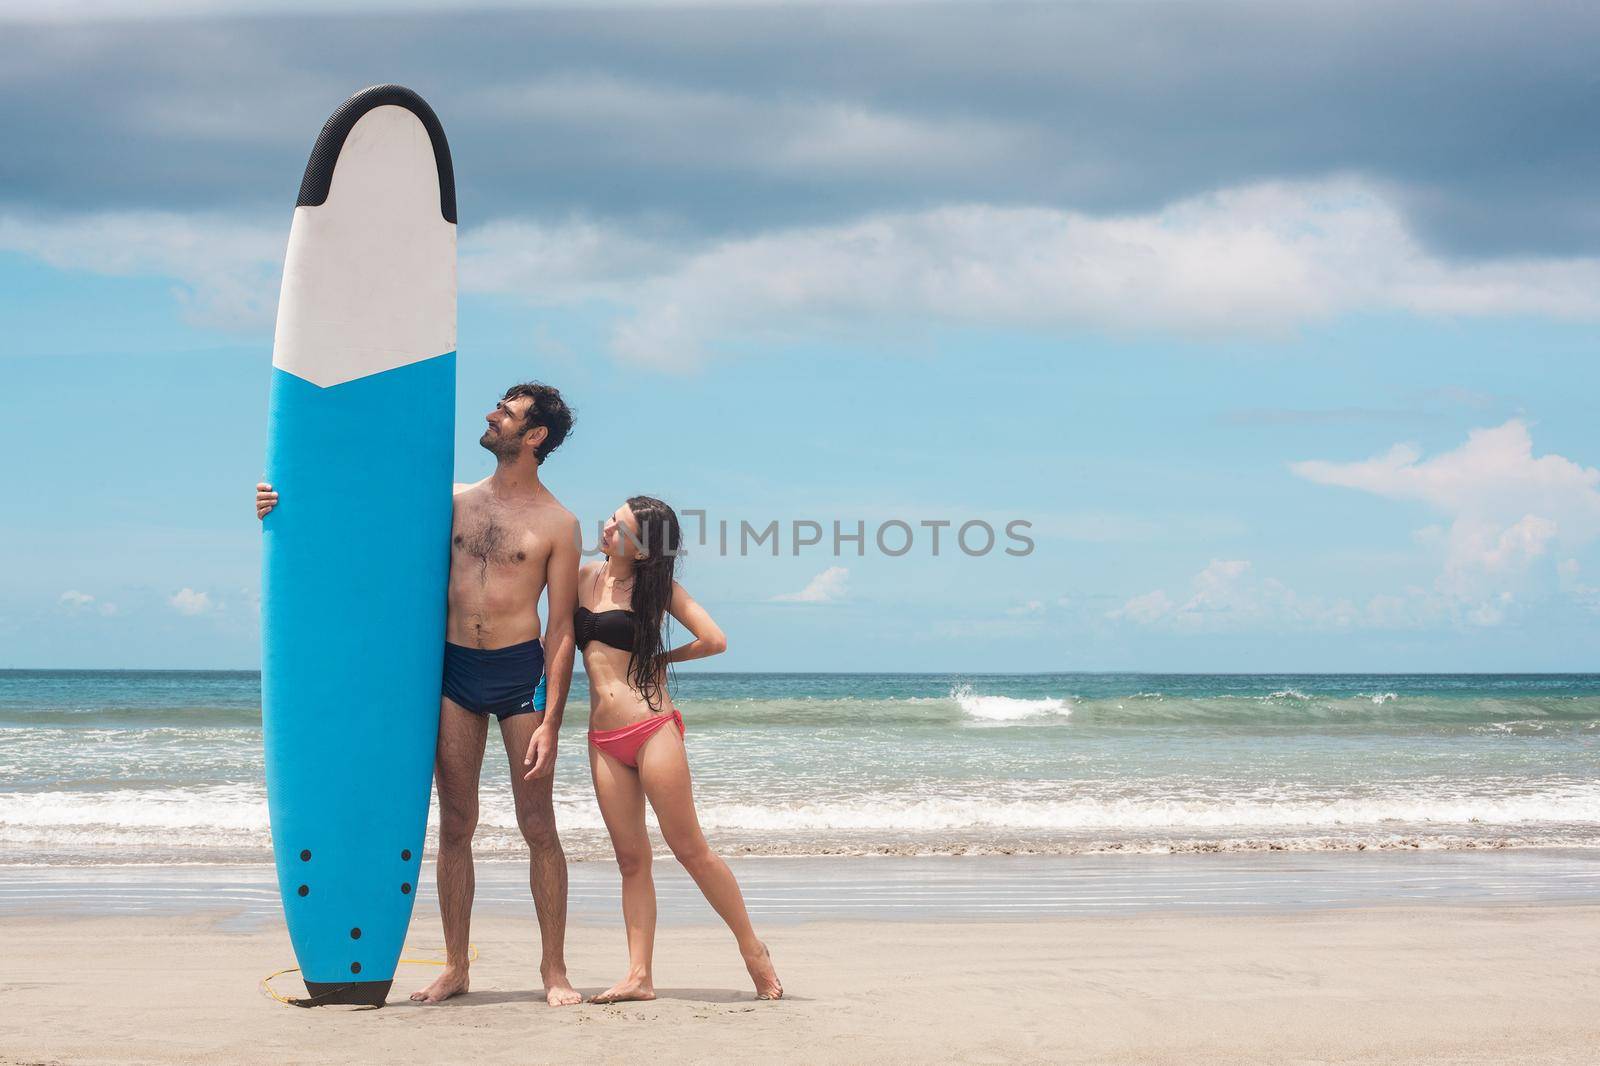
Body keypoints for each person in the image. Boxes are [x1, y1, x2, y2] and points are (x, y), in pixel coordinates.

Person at [256, 383, 584, 1007]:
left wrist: (552, 722)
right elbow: (368, 513)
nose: (492, 415)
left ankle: (554, 971)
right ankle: (457, 967)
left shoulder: (557, 525)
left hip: (520, 674)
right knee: (456, 823)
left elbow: (563, 628)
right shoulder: (455, 501)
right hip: (454, 670)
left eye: (507, 412)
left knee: (537, 824)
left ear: (534, 435)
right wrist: (283, 504)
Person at [573, 496, 782, 1002]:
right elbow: (555, 638)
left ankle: (753, 949)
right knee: (630, 860)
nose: (606, 528)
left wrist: (663, 657)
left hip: (651, 728)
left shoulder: (657, 588)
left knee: (689, 849)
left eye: (618, 527)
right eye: (610, 517)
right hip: (603, 738)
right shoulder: (583, 576)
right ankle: (639, 976)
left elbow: (714, 639)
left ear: (643, 550)